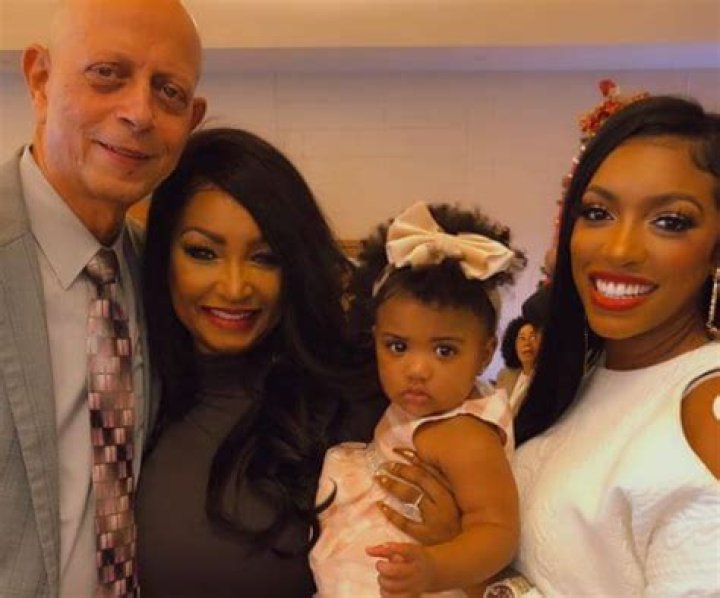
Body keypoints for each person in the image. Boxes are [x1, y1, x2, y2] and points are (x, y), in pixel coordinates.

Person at [135, 129, 456, 597]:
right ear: (162, 257)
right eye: (203, 253)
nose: (234, 287)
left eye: (265, 258)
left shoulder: (369, 402)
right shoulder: (133, 392)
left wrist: (455, 554)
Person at [0, 0, 206, 595]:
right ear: (40, 79)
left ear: (191, 121)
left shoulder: (167, 279)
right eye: (107, 74)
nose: (138, 113)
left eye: (168, 92)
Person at [509, 95, 720, 595]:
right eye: (598, 212)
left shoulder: (706, 405)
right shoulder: (577, 374)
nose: (619, 249)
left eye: (670, 221)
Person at [310, 201, 526, 597]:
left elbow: (498, 532)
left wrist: (434, 568)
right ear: (374, 339)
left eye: (444, 351)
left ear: (484, 354)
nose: (417, 369)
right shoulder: (412, 409)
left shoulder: (465, 435)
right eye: (397, 346)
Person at [496, 317, 542, 415]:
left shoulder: (545, 379)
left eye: (533, 337)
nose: (527, 343)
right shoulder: (504, 375)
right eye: (522, 338)